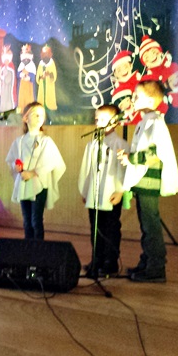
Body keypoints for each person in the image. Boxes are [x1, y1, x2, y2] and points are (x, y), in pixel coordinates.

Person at [117, 80, 178, 283]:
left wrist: (131, 158)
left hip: (149, 181)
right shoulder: (144, 121)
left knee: (150, 225)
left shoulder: (155, 123)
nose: (133, 99)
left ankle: (156, 267)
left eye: (137, 96)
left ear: (151, 100)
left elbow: (154, 153)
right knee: (146, 225)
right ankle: (147, 262)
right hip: (142, 180)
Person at [78, 104, 127, 278]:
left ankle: (110, 261)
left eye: (103, 119)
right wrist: (85, 190)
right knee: (95, 226)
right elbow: (87, 169)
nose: (98, 122)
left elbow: (124, 170)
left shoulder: (120, 144)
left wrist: (120, 190)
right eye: (97, 119)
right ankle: (96, 259)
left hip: (111, 193)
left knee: (111, 227)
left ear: (115, 122)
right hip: (95, 192)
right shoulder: (93, 144)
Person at [6, 101, 65, 239]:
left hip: (39, 185)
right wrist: (16, 167)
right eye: (35, 115)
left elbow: (51, 161)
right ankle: (28, 248)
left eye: (42, 115)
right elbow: (11, 159)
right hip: (24, 185)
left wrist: (32, 173)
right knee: (27, 221)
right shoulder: (19, 141)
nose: (39, 118)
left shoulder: (46, 141)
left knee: (36, 220)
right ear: (26, 118)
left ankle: (38, 249)